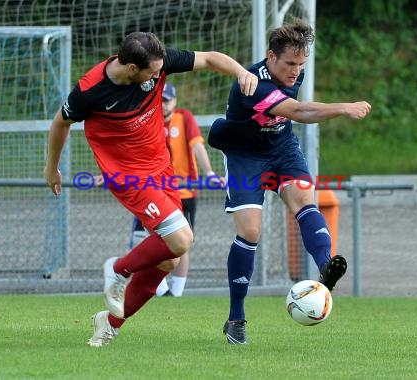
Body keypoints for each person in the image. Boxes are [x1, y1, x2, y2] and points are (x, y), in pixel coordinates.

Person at [43, 31, 258, 348]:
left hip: (161, 169)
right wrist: (52, 167)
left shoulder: (159, 60)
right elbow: (61, 122)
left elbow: (211, 58)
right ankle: (117, 269)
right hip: (128, 174)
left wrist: (241, 72)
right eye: (153, 73)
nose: (159, 76)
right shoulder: (91, 90)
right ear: (131, 69)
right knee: (183, 238)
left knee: (170, 259)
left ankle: (111, 322)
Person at [207, 19, 371, 345]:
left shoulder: (294, 73)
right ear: (271, 57)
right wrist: (343, 107)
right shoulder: (252, 83)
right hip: (245, 155)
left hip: (282, 149)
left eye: (301, 64)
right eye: (290, 64)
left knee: (304, 201)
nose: (296, 71)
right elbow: (299, 112)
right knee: (250, 230)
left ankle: (326, 268)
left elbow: (291, 113)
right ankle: (236, 316)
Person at [129, 82, 226, 297]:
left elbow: (197, 145)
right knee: (145, 239)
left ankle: (177, 293)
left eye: (167, 100)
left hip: (183, 193)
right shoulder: (146, 120)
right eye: (159, 101)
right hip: (151, 193)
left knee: (181, 244)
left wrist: (209, 172)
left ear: (174, 101)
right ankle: (160, 291)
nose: (163, 105)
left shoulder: (185, 118)